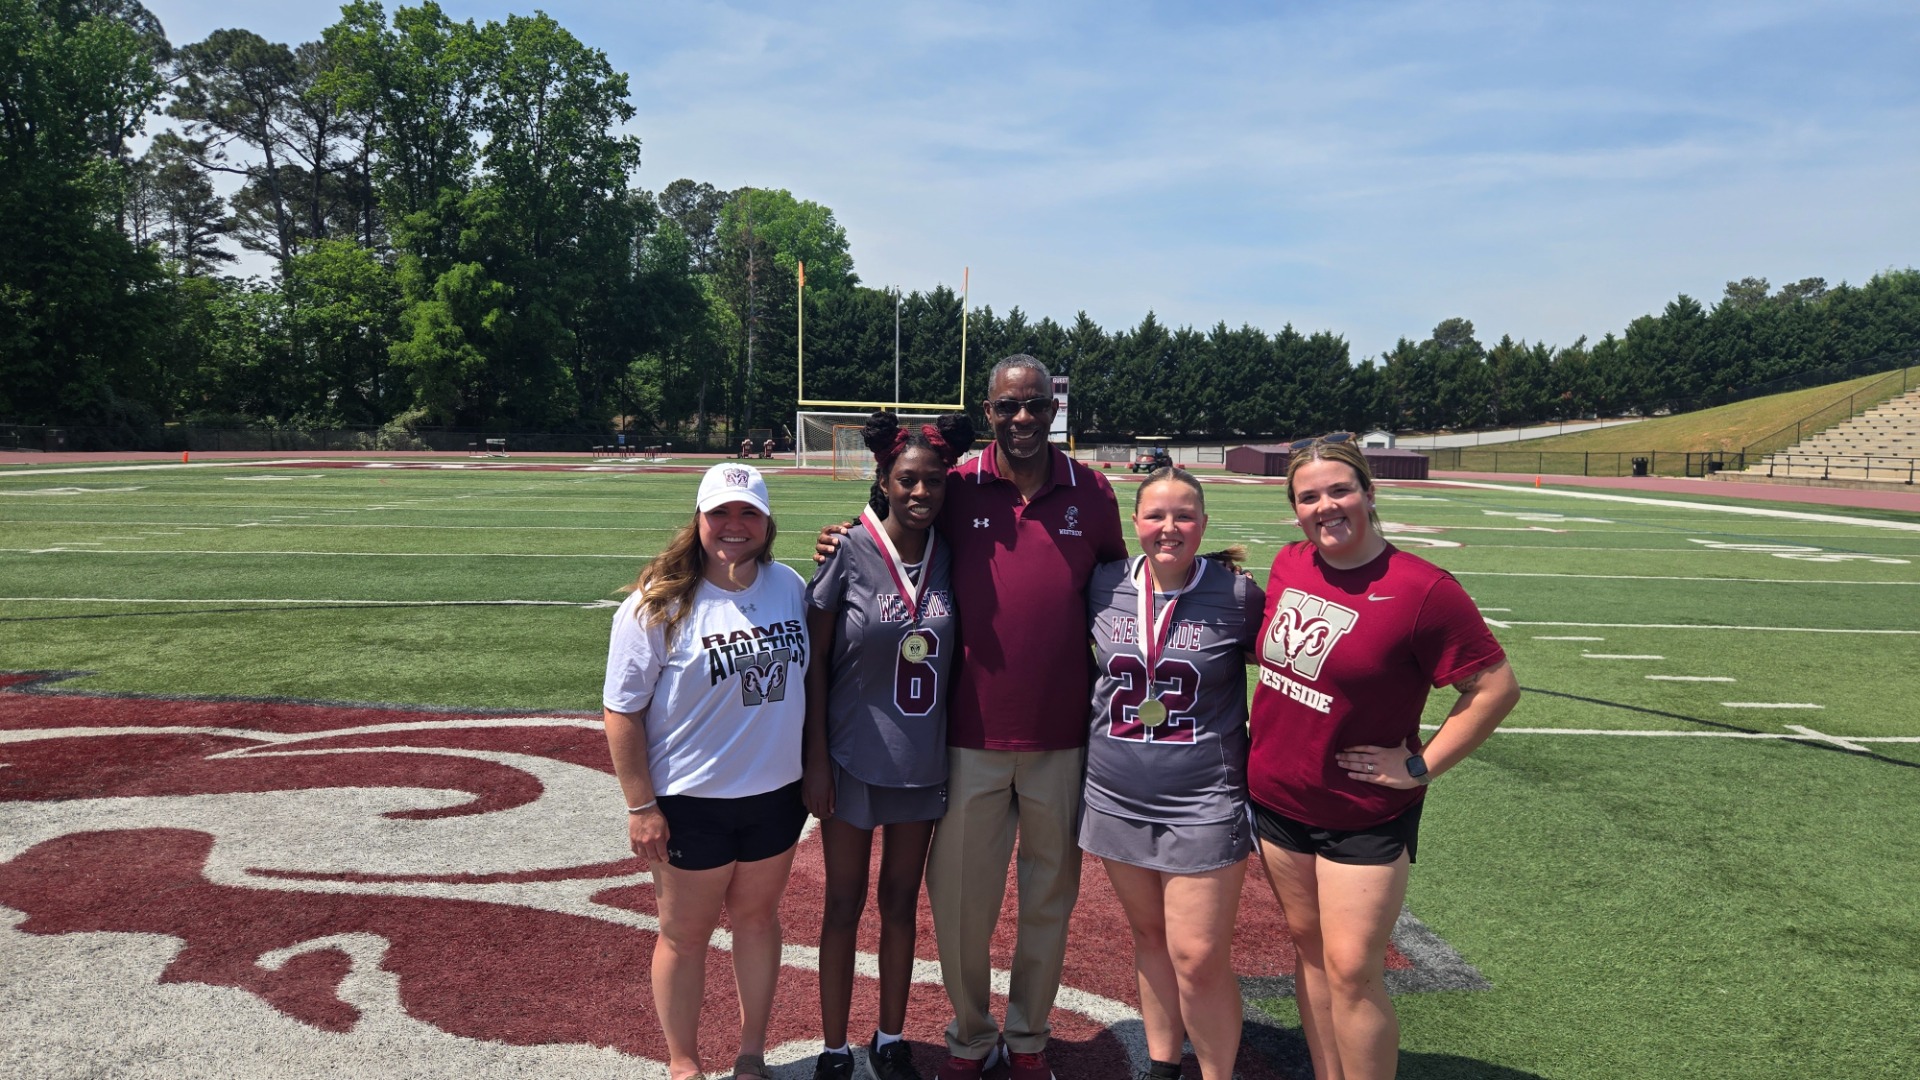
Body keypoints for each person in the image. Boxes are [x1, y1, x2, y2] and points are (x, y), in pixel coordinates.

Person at [817, 355, 1126, 1080]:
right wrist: (841, 536)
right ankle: (969, 1034)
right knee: (960, 906)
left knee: (1048, 900)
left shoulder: (1094, 491)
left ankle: (1027, 1039)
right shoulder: (954, 484)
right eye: (1006, 407)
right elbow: (895, 518)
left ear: (1055, 409)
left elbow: (1117, 587)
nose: (1022, 418)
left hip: (1060, 734)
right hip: (966, 735)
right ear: (986, 412)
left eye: (1036, 405)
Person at [1248, 439, 1520, 1080]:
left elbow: (1495, 688)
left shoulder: (1423, 589)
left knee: (1352, 969)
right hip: (1278, 797)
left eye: (1339, 490)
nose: (1326, 506)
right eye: (1308, 496)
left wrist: (1420, 766)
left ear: (1369, 493)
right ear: (1295, 510)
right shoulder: (1291, 563)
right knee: (1312, 954)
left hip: (1362, 811)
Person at [602, 462, 810, 1080]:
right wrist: (641, 806)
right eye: (720, 512)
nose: (734, 526)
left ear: (768, 523)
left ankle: (752, 1053)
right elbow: (621, 711)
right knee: (683, 937)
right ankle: (683, 1063)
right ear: (698, 520)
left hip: (776, 794)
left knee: (757, 921)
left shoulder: (789, 586)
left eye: (748, 513)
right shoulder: (656, 604)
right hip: (691, 801)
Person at [802, 411, 975, 1080]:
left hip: (921, 759)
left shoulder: (953, 555)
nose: (921, 493)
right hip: (849, 758)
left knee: (901, 902)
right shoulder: (847, 550)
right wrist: (814, 759)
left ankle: (891, 1035)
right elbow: (814, 662)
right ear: (883, 478)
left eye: (933, 481)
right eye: (907, 480)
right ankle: (834, 1046)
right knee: (842, 902)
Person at [1081, 467, 1264, 1080]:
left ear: (1204, 524)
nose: (1169, 527)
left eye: (1183, 515)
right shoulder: (1104, 584)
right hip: (1115, 794)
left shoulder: (1237, 595)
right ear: (1135, 523)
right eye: (1156, 515)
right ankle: (1162, 1067)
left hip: (1203, 800)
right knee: (1150, 938)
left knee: (1199, 955)